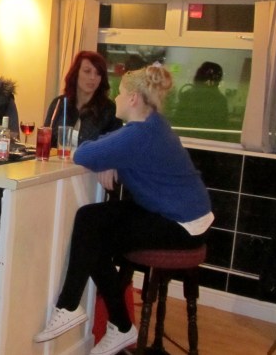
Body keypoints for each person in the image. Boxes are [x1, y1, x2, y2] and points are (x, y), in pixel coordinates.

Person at [34, 64, 213, 355]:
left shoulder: (140, 134)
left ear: (133, 99)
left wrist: (109, 158)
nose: (115, 98)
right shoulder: (151, 125)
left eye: (120, 93)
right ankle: (115, 324)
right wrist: (111, 159)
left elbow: (84, 152)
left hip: (182, 225)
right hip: (176, 214)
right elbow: (107, 147)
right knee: (91, 224)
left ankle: (71, 306)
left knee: (92, 232)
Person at [44, 51, 122, 146]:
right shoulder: (59, 103)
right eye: (87, 71)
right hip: (56, 156)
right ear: (76, 73)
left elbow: (114, 148)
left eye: (98, 73)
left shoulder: (109, 110)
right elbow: (45, 139)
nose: (92, 77)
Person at [172, 61, 229, 132]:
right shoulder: (220, 100)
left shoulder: (187, 95)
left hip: (185, 136)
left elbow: (177, 122)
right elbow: (222, 129)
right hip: (209, 137)